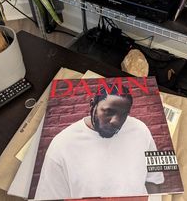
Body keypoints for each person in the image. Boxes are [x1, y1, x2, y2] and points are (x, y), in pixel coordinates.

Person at [34, 84, 164, 200]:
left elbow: (155, 180)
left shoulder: (141, 130)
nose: (116, 121)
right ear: (92, 104)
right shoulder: (61, 145)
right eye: (108, 112)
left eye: (123, 114)